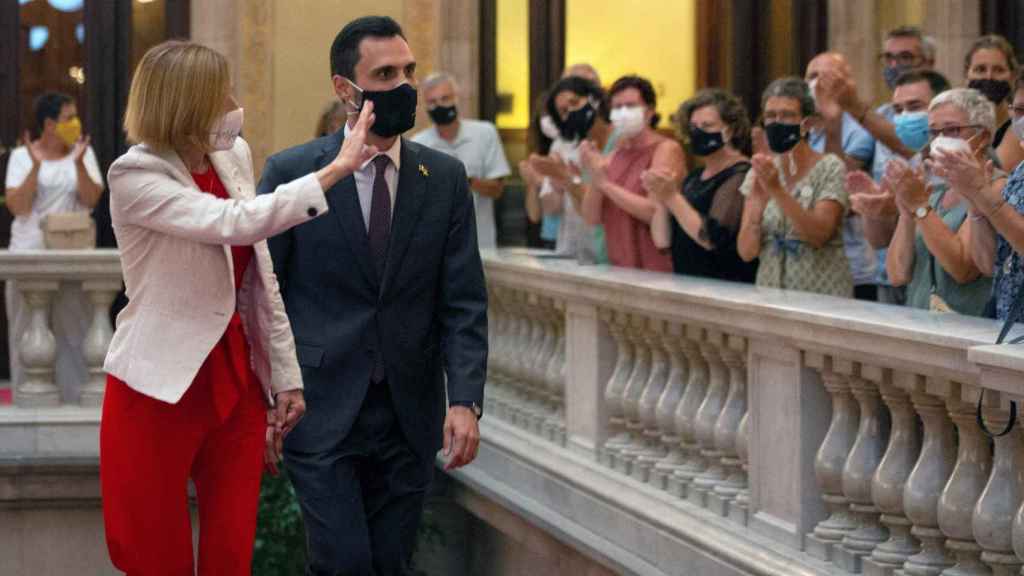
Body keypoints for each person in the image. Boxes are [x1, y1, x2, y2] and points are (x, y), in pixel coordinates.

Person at [100, 40, 376, 574]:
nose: (232, 100)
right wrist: (336, 170)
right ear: (187, 103)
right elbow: (234, 222)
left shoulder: (234, 154)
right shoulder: (133, 175)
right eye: (220, 91)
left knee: (231, 553)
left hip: (234, 377)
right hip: (157, 387)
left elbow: (260, 278)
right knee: (153, 555)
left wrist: (284, 378)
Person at [257, 16, 487, 575]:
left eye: (408, 70)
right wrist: (266, 394)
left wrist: (465, 400)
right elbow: (264, 293)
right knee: (344, 564)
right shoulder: (293, 172)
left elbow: (464, 300)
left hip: (409, 413)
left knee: (389, 565)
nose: (403, 85)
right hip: (321, 406)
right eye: (385, 73)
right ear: (345, 89)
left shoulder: (446, 177)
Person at [5, 91, 102, 400]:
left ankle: (74, 396)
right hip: (29, 251)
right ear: (49, 124)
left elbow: (92, 199)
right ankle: (27, 396)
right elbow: (17, 206)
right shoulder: (22, 157)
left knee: (75, 328)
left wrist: (80, 164)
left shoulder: (83, 153)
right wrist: (35, 168)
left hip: (72, 251)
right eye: (67, 118)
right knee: (25, 328)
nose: (74, 123)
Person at [885, 88, 999, 316]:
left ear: (983, 136)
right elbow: (898, 274)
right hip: (920, 327)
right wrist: (907, 212)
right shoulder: (933, 189)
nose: (940, 140)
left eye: (952, 130)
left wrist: (920, 207)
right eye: (934, 133)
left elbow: (963, 269)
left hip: (969, 333)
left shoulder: (995, 186)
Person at [736, 77, 852, 297]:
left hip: (821, 295)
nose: (777, 122)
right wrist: (755, 213)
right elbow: (746, 252)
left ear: (807, 124)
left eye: (787, 115)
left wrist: (777, 191)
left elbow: (818, 234)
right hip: (771, 294)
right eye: (770, 116)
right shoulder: (760, 170)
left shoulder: (830, 167)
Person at [846, 70, 951, 305]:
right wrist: (874, 211)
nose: (904, 117)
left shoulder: (961, 167)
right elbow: (880, 240)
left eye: (914, 107)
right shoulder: (908, 165)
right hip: (907, 289)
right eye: (897, 110)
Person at [647, 88, 756, 282]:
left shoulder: (741, 173)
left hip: (723, 288)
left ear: (729, 130)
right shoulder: (695, 177)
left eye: (707, 126)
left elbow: (712, 238)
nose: (699, 133)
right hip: (686, 285)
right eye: (694, 127)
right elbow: (662, 241)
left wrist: (672, 197)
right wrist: (660, 196)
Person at [580, 75, 685, 271]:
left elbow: (652, 212)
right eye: (617, 108)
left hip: (656, 268)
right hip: (618, 266)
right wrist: (596, 176)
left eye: (630, 106)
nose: (623, 113)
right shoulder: (612, 155)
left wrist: (606, 185)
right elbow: (591, 218)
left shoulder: (665, 149)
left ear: (649, 111)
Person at [805, 52, 878, 300]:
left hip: (853, 266)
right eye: (812, 77)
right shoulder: (802, 128)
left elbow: (840, 183)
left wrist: (833, 122)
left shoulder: (860, 128)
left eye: (826, 77)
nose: (817, 84)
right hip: (808, 264)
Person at [411, 72, 510, 250]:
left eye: (445, 98)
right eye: (432, 102)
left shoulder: (484, 133)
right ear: (425, 106)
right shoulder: (418, 144)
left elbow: (497, 189)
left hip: (481, 243)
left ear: (457, 98)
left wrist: (461, 180)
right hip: (436, 246)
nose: (439, 106)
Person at [960, 72, 1024, 321]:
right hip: (1008, 324)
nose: (1021, 119)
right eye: (1017, 110)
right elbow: (988, 265)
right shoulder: (1019, 172)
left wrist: (985, 195)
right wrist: (977, 206)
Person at [527, 76, 613, 261]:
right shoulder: (563, 146)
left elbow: (604, 206)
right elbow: (551, 209)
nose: (571, 112)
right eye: (564, 112)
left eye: (575, 102)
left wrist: (567, 178)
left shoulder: (619, 141)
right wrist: (548, 181)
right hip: (573, 248)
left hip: (609, 249)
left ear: (593, 99)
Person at [963, 34, 1024, 172]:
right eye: (980, 69)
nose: (988, 77)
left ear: (1013, 76)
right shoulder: (957, 125)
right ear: (966, 74)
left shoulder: (1019, 127)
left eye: (998, 70)